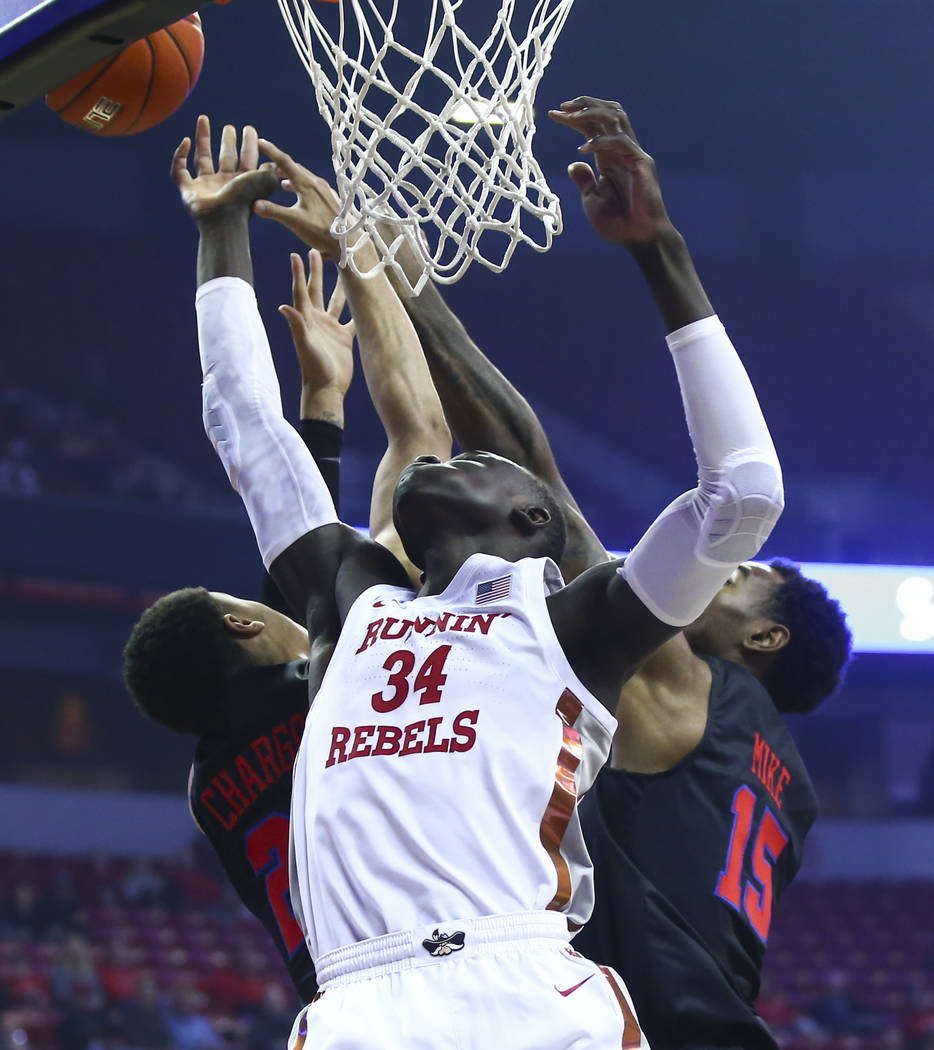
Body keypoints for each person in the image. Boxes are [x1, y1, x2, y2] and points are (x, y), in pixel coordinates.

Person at [178, 91, 784, 1049]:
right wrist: (221, 236)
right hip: (356, 1002)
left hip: (525, 987)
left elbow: (743, 496)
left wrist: (658, 252)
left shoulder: (583, 625)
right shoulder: (353, 596)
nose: (445, 455)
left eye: (482, 461)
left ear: (535, 517)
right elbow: (248, 432)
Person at [381, 96, 853, 1050]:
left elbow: (534, 478)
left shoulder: (690, 682)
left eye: (744, 578)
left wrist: (408, 285)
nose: (719, 576)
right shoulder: (785, 783)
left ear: (767, 637)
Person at [123, 119, 450, 1004]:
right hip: (454, 966)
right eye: (251, 603)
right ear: (240, 624)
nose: (269, 602)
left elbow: (303, 575)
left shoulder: (215, 780)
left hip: (343, 999)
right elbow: (260, 430)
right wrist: (348, 259)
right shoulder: (339, 668)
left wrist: (322, 404)